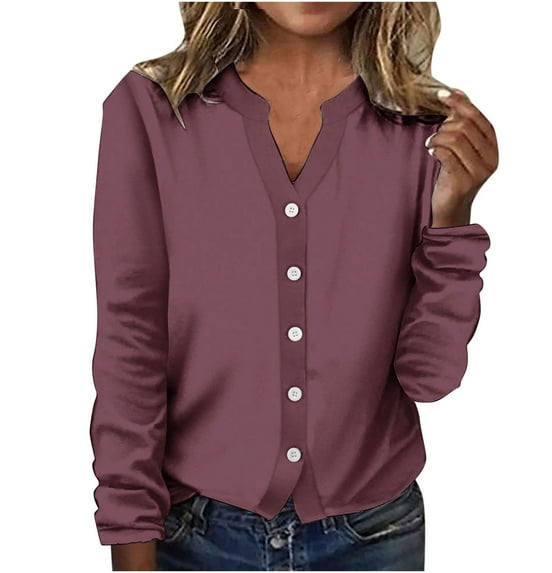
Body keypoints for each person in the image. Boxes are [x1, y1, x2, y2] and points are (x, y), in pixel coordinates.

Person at [89, 2, 498, 570]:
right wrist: (130, 533)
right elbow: (129, 342)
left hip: (374, 536)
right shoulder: (153, 111)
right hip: (192, 533)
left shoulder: (427, 130)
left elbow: (429, 378)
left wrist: (452, 216)